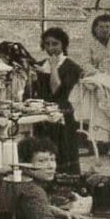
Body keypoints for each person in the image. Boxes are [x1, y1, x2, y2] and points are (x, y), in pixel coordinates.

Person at [28, 27, 82, 173]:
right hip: (42, 115)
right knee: (43, 151)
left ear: (63, 45)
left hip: (63, 114)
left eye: (55, 44)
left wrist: (52, 67)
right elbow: (30, 93)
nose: (51, 48)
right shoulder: (39, 65)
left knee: (62, 153)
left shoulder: (72, 67)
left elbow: (56, 91)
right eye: (47, 44)